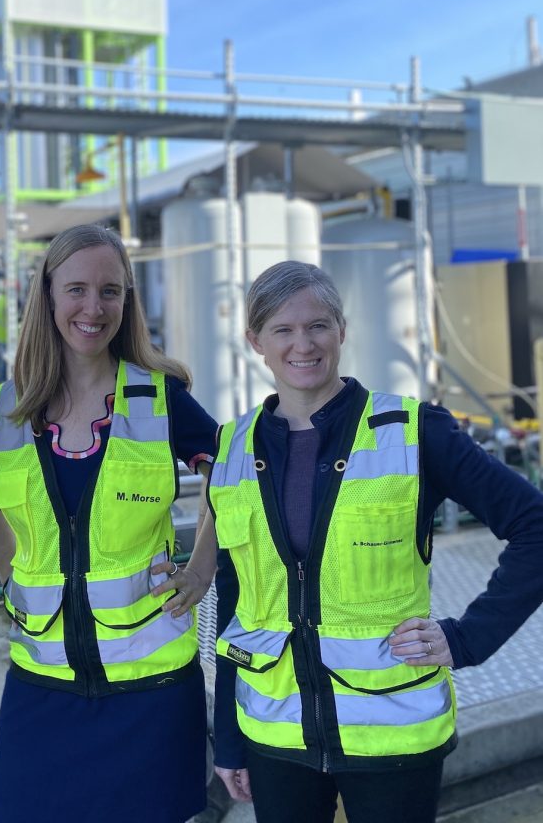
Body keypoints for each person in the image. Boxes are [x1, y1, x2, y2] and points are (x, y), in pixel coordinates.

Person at [207, 260, 543, 823]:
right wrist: (230, 737)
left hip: (393, 736)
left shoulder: (414, 432)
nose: (303, 344)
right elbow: (235, 599)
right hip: (275, 734)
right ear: (255, 342)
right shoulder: (232, 448)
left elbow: (534, 525)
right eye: (282, 330)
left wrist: (468, 638)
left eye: (318, 325)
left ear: (342, 330)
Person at [0, 224, 219, 823]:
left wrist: (201, 570)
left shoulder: (159, 396)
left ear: (127, 301)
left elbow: (233, 477)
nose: (93, 307)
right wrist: (13, 576)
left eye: (111, 291)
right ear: (48, 296)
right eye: (77, 289)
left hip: (151, 690)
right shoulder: (7, 407)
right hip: (42, 686)